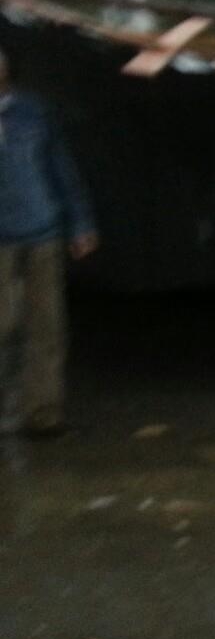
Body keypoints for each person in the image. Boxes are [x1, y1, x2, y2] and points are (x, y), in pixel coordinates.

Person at [0, 49, 98, 437]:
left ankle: (42, 415)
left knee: (47, 325)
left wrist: (81, 224)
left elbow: (61, 168)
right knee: (3, 324)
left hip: (43, 231)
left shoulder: (33, 112)